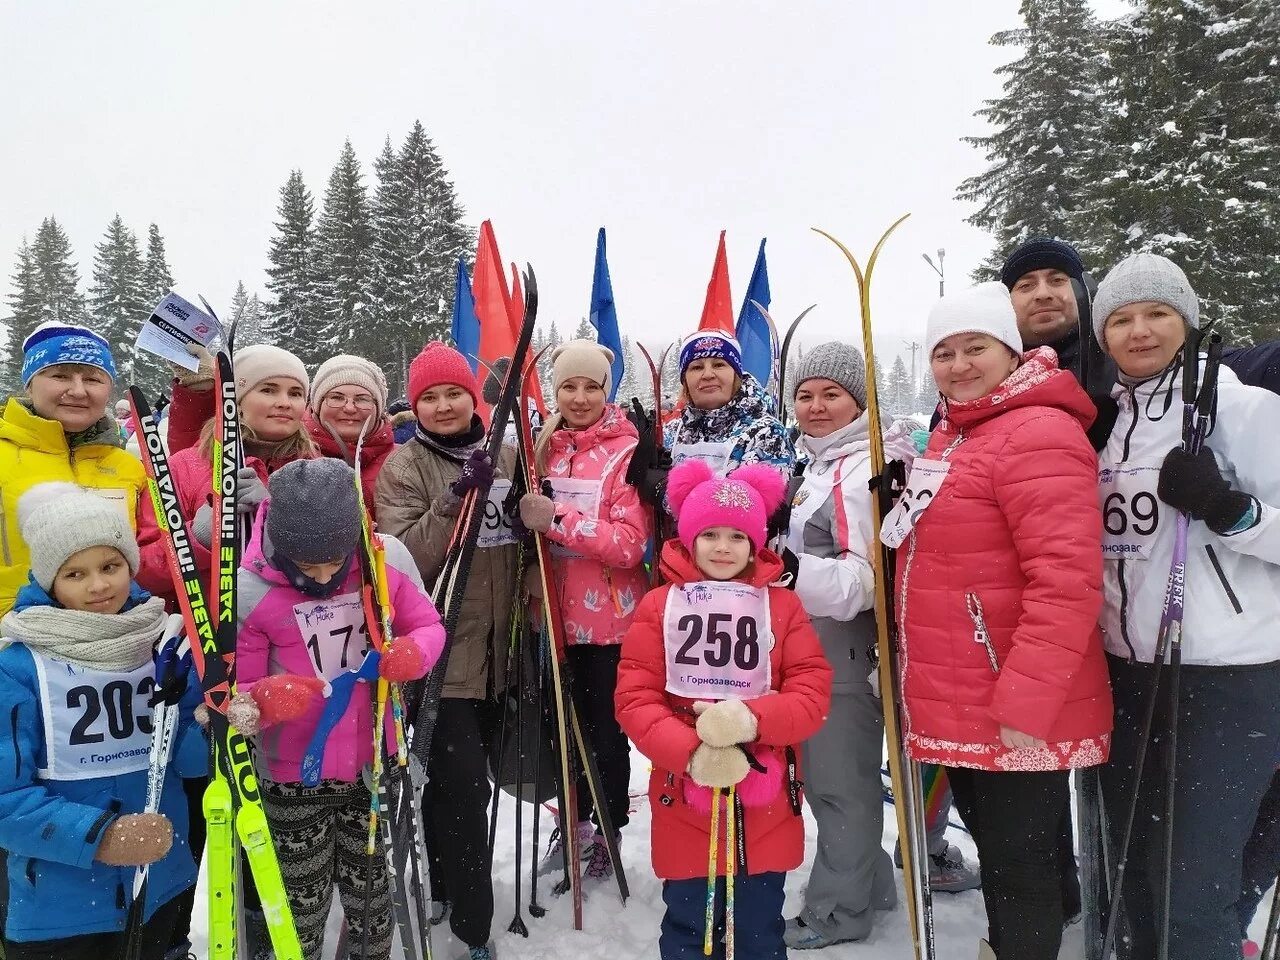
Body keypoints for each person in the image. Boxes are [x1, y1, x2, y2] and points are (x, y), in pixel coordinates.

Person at [897, 281, 1112, 960]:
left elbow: (1067, 579)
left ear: (1011, 350)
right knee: (1012, 854)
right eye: (944, 352)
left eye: (975, 348)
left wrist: (1030, 694)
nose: (958, 365)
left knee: (1018, 870)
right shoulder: (959, 432)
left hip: (1009, 694)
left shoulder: (1038, 431)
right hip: (964, 691)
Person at [1092, 253, 1280, 960]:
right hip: (1130, 672)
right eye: (1121, 318)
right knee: (1135, 871)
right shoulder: (1109, 426)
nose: (1139, 331)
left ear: (1188, 320)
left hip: (1229, 677)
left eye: (1157, 313)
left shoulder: (1246, 410)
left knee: (1194, 887)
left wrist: (1231, 511)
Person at [134, 342, 314, 958]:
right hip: (204, 656)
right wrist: (208, 538)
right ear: (236, 397)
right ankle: (178, 933)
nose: (284, 403)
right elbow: (150, 562)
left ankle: (267, 933)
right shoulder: (185, 466)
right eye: (270, 389)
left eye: (295, 392)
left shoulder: (314, 467)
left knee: (272, 809)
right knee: (202, 802)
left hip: (283, 660)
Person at [616, 460, 832, 960]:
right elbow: (635, 698)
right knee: (690, 928)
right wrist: (690, 752)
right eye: (709, 534)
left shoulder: (782, 607)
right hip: (684, 796)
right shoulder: (659, 606)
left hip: (766, 797)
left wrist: (754, 719)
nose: (722, 547)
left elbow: (811, 690)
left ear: (756, 542)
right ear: (688, 538)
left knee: (759, 930)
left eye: (737, 536)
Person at [233, 458, 445, 960]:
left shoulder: (379, 567)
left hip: (374, 764)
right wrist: (262, 700)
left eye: (335, 561)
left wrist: (413, 654)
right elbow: (234, 691)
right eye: (309, 567)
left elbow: (429, 625)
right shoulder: (252, 591)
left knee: (372, 903)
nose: (326, 576)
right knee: (298, 907)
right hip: (293, 776)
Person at [0, 483, 204, 960]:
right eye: (75, 573)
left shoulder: (163, 644)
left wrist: (214, 722)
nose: (98, 586)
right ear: (50, 580)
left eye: (110, 567)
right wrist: (101, 836)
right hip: (60, 907)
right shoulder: (18, 666)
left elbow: (190, 765)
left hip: (160, 883)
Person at [375, 342, 518, 960]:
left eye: (453, 393)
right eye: (428, 396)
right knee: (464, 790)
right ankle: (473, 926)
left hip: (504, 650)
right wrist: (455, 498)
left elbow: (524, 550)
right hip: (442, 655)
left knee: (457, 786)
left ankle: (443, 880)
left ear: (473, 397)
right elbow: (405, 557)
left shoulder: (509, 452)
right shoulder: (404, 468)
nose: (441, 405)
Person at [777, 342, 921, 948]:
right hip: (813, 643)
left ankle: (839, 911)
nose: (815, 406)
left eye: (831, 394)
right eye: (805, 395)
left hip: (844, 646)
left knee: (837, 782)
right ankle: (870, 886)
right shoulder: (817, 464)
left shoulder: (861, 471)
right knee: (837, 777)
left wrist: (787, 572)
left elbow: (868, 583)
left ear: (859, 401)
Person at [516, 340, 651, 879]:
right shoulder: (541, 446)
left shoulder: (625, 450)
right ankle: (573, 825)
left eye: (590, 386)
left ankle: (607, 830)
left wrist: (557, 519)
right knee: (560, 732)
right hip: (548, 613)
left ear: (606, 390)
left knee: (603, 734)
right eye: (568, 385)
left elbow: (629, 543)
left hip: (608, 621)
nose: (578, 396)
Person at [0, 322, 147, 617]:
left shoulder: (129, 467)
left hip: (114, 641)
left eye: (93, 379)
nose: (78, 391)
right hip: (12, 641)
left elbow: (151, 558)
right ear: (29, 383)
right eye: (60, 375)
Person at [663, 330, 794, 476]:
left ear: (735, 375)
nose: (707, 375)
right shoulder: (671, 433)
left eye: (719, 365)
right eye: (697, 367)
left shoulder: (766, 432)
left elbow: (755, 497)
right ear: (685, 380)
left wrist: (666, 491)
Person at [305, 354, 397, 513]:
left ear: (378, 407)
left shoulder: (405, 461)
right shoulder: (290, 455)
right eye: (336, 397)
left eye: (362, 399)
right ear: (317, 405)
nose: (349, 408)